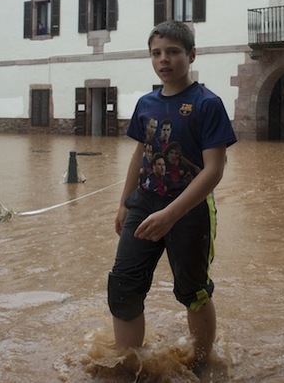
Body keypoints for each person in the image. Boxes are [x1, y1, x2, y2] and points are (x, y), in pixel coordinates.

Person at [108, 20, 237, 368]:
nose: (163, 59)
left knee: (193, 291)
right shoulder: (146, 104)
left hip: (190, 209)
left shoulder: (208, 104)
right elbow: (141, 154)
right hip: (144, 203)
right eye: (156, 53)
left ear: (191, 55)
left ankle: (200, 364)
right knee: (123, 285)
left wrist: (171, 215)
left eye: (172, 52)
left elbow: (214, 170)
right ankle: (128, 364)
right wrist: (123, 203)